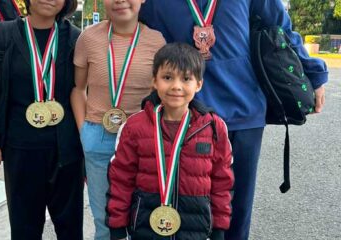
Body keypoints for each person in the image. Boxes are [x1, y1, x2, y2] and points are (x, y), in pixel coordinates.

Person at [139, 1, 328, 239]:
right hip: (186, 113)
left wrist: (314, 73)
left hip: (244, 110)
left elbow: (280, 27)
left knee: (236, 209)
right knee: (184, 204)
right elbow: (130, 25)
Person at [0, 0, 84, 239]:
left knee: (71, 228)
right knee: (24, 228)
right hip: (20, 149)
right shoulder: (1, 36)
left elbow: (84, 91)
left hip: (66, 151)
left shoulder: (76, 39)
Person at [106, 43, 234, 240]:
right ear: (154, 81)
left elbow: (222, 183)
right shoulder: (134, 127)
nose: (176, 86)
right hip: (145, 227)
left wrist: (218, 230)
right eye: (167, 77)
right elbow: (121, 180)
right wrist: (117, 228)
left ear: (198, 84)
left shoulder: (214, 128)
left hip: (195, 230)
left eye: (186, 78)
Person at [71, 0, 166, 239]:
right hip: (98, 136)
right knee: (104, 221)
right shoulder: (88, 38)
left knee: (141, 218)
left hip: (142, 143)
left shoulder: (157, 41)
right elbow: (78, 89)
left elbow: (164, 94)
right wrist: (84, 132)